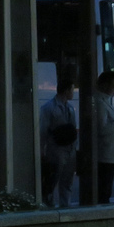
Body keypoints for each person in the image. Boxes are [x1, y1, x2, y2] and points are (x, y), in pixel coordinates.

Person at [39, 78, 78, 208]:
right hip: (56, 148)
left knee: (67, 179)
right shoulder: (49, 108)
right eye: (72, 90)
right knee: (53, 178)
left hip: (69, 148)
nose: (73, 93)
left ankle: (65, 205)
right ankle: (48, 203)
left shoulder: (69, 108)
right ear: (66, 91)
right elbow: (43, 130)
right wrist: (41, 149)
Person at [94, 70, 114, 204]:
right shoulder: (100, 103)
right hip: (106, 155)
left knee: (106, 188)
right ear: (105, 85)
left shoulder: (106, 101)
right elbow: (102, 128)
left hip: (111, 154)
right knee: (104, 190)